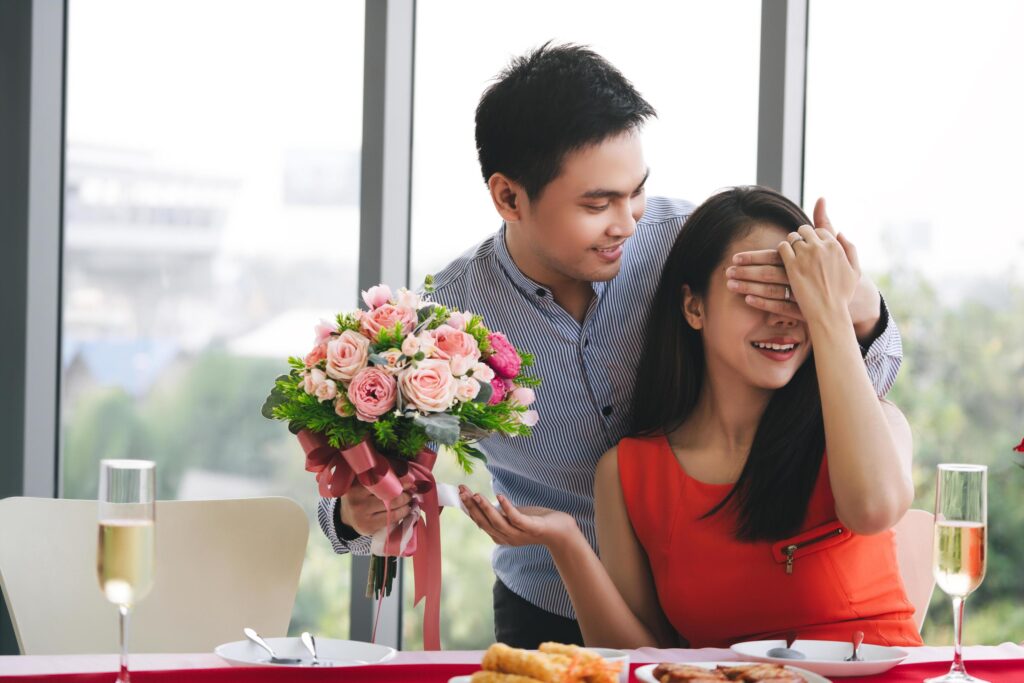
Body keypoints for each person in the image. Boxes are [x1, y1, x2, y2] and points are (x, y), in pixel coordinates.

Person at [318, 43, 904, 648]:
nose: (626, 222)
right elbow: (364, 474)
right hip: (550, 603)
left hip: (722, 593)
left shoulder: (692, 248)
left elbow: (860, 376)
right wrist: (352, 513)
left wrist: (856, 302)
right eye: (597, 204)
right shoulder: (447, 323)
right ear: (508, 197)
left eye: (636, 193)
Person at [460, 186, 923, 648]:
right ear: (694, 306)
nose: (784, 317)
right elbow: (637, 657)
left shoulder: (867, 426)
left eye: (795, 293)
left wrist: (830, 310)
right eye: (758, 293)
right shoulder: (627, 473)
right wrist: (565, 541)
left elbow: (872, 509)